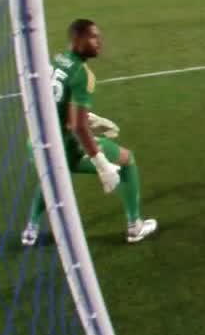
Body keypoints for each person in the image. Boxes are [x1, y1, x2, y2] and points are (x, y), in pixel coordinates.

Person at [22, 18, 157, 246]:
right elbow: (77, 126)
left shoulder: (57, 60)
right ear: (78, 39)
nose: (99, 42)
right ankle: (135, 227)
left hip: (35, 143)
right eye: (94, 37)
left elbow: (57, 104)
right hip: (62, 148)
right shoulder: (82, 74)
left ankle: (31, 230)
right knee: (126, 159)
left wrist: (92, 119)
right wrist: (102, 164)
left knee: (51, 177)